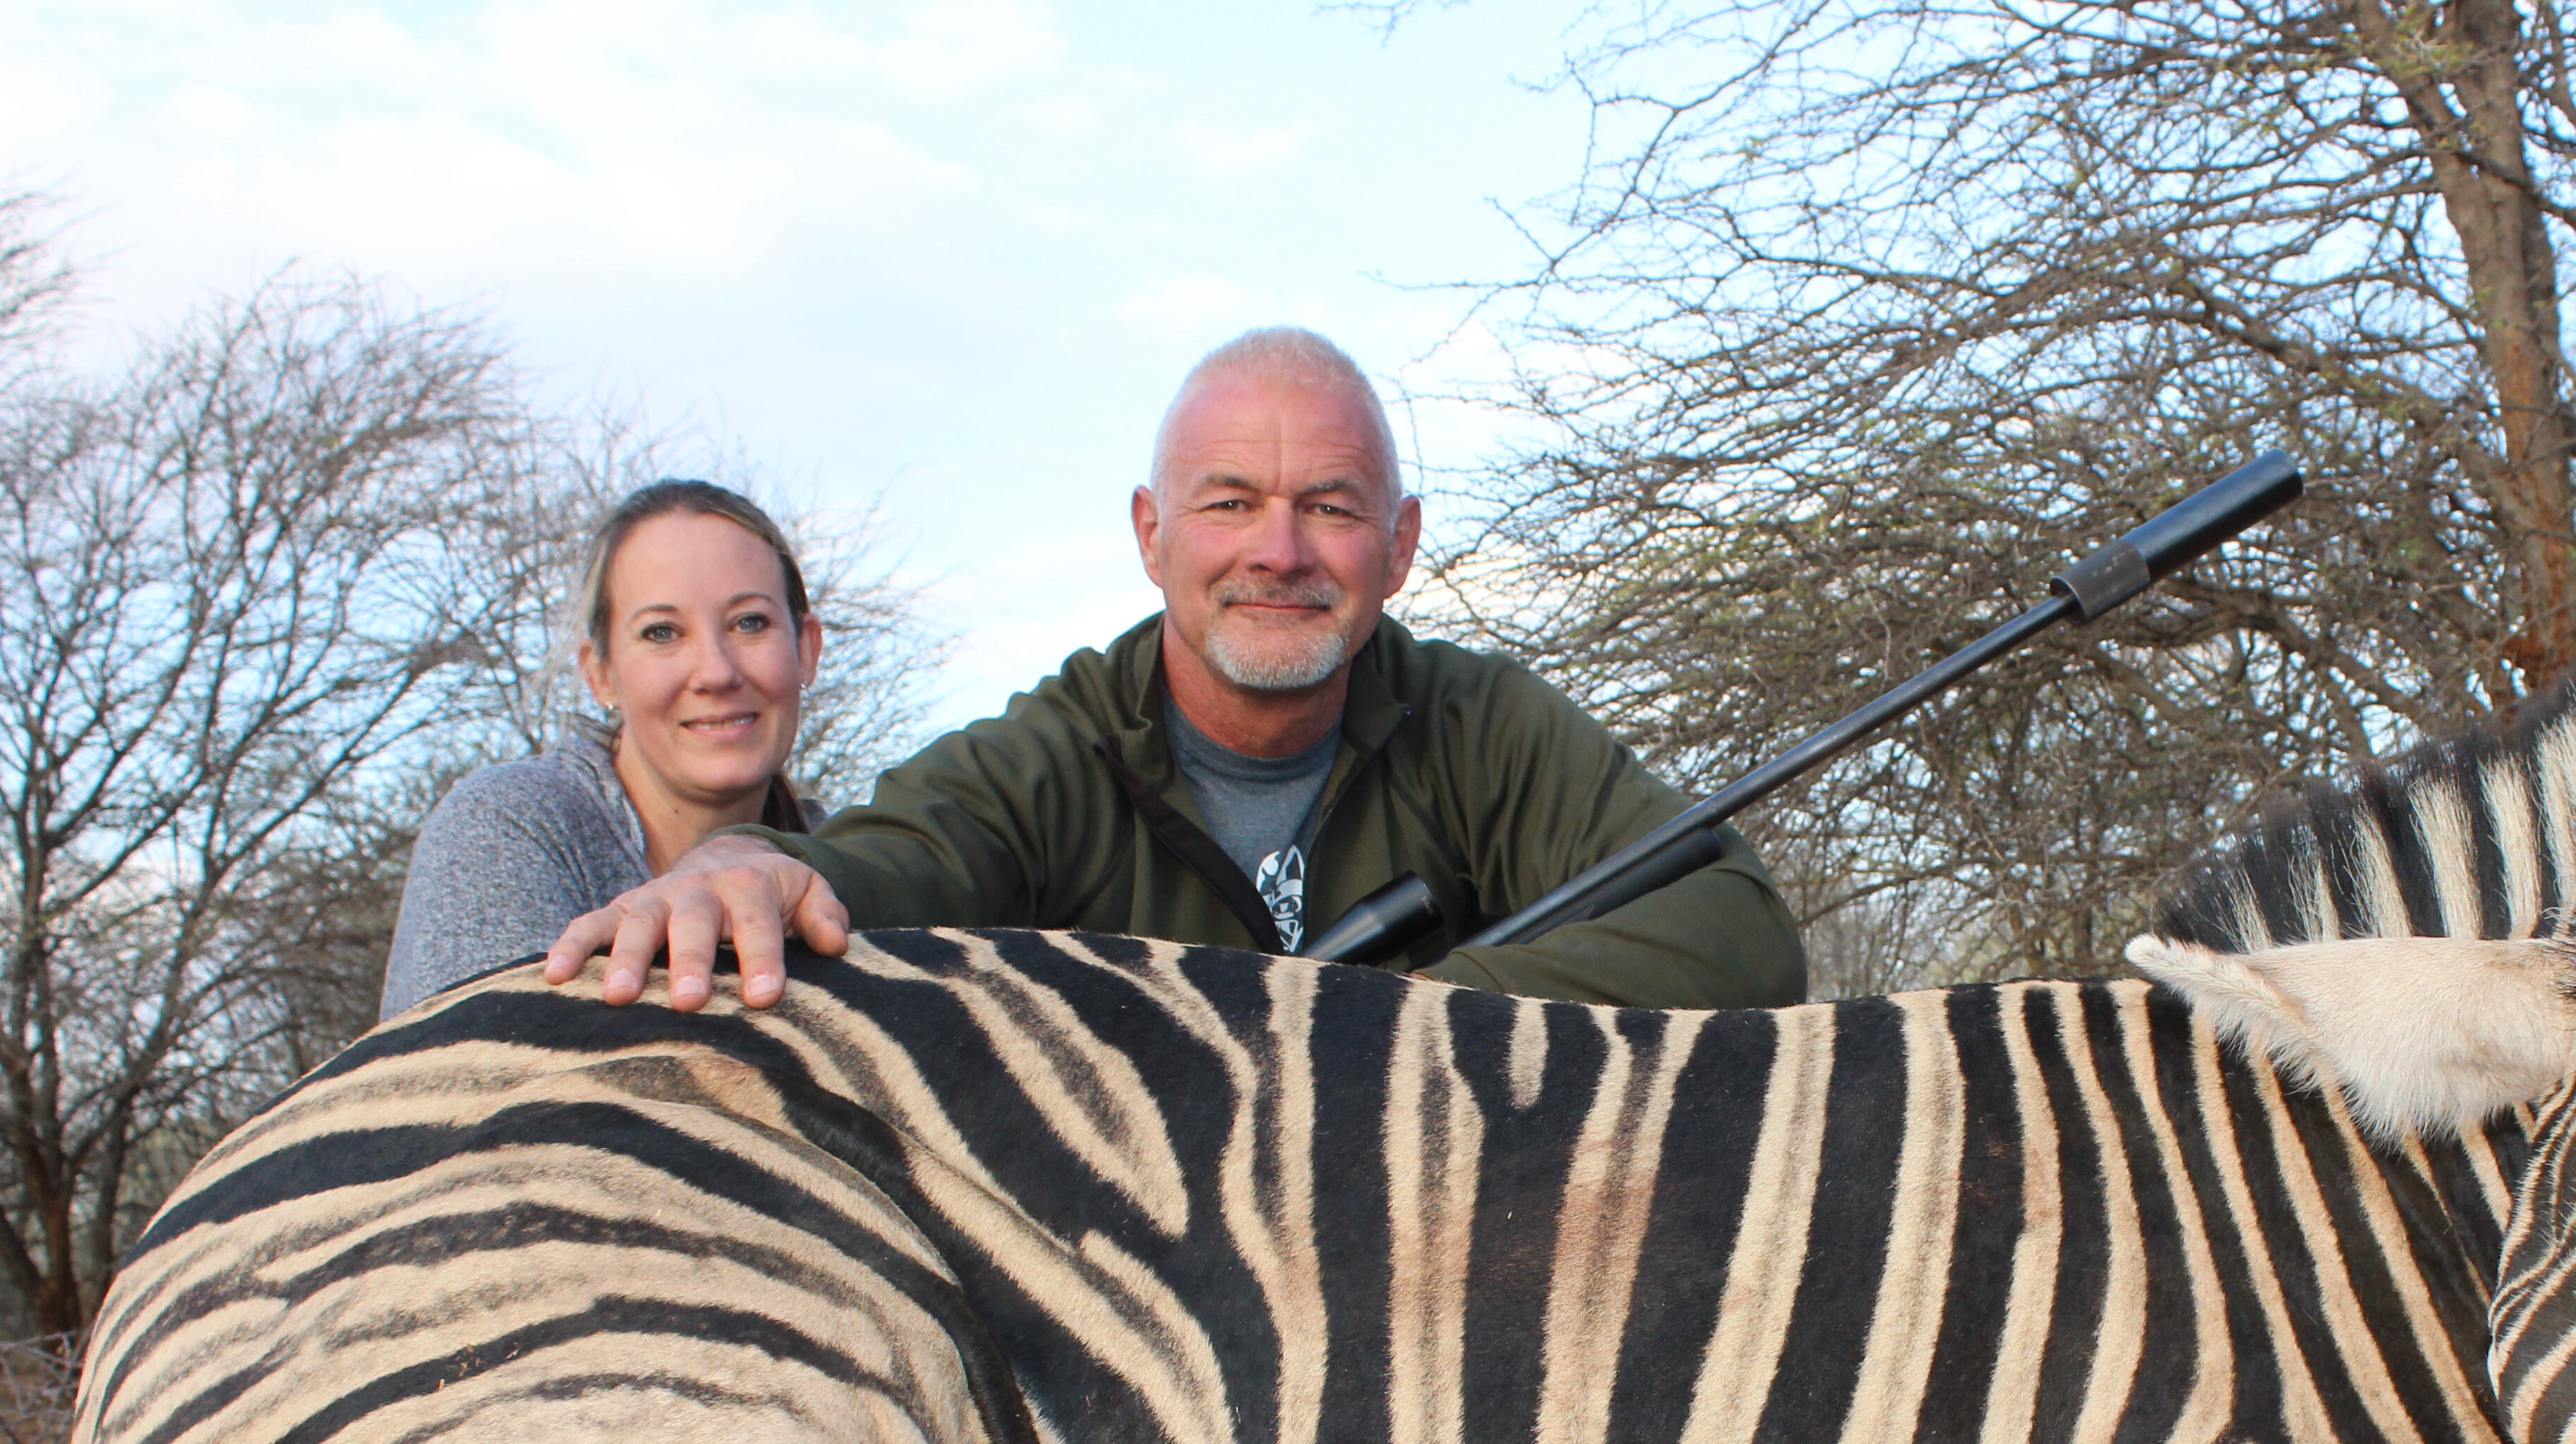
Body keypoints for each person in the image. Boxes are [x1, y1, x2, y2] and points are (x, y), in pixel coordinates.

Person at [539, 329, 1805, 1014]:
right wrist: (736, 869)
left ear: (1400, 545)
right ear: (1151, 537)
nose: (1278, 550)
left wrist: (1412, 1024)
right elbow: (895, 858)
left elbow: (1735, 929)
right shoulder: (1054, 749)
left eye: (1328, 505)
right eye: (1229, 503)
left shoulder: (1482, 725)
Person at [383, 480, 823, 1016]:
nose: (716, 672)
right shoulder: (510, 825)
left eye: (749, 623)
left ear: (806, 649)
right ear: (600, 674)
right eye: (662, 633)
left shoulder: (846, 861)